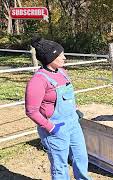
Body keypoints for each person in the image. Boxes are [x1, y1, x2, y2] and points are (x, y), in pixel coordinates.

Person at [25, 37, 91, 180]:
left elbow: (69, 95)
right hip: (55, 128)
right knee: (60, 166)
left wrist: (75, 110)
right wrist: (52, 128)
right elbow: (31, 111)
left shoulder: (62, 72)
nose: (64, 57)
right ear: (50, 58)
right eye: (60, 55)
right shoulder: (38, 81)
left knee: (81, 158)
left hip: (73, 124)